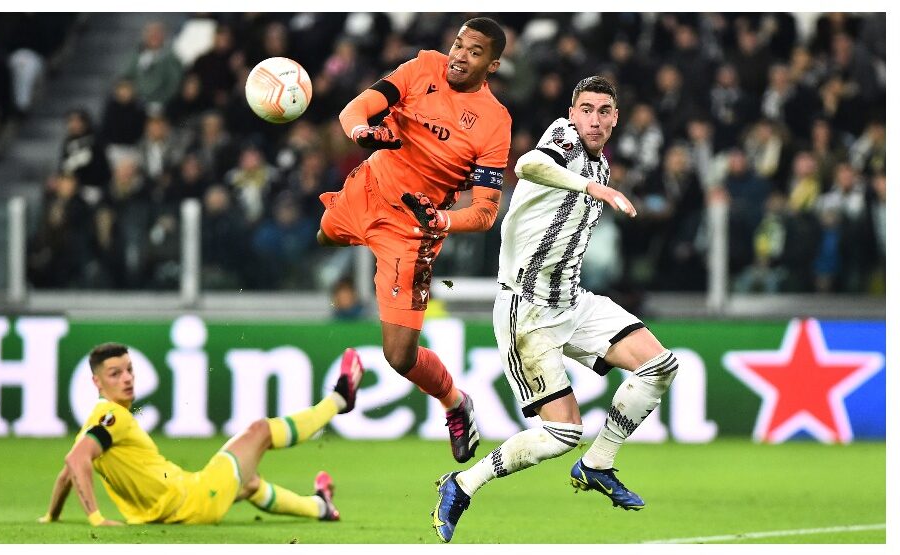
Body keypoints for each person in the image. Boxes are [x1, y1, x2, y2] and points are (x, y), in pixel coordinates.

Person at [431, 76, 680, 542]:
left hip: (572, 300)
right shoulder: (563, 139)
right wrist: (593, 189)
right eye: (586, 109)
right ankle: (461, 485)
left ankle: (598, 463)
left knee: (660, 366)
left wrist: (596, 185)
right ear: (571, 114)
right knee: (562, 433)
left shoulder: (601, 166)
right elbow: (526, 164)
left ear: (616, 118)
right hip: (526, 309)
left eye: (604, 111)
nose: (594, 120)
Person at [316, 17, 512, 463]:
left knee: (399, 356)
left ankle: (455, 402)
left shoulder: (494, 122)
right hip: (368, 188)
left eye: (475, 52)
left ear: (493, 65)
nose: (460, 56)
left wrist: (440, 220)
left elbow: (485, 213)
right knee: (324, 236)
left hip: (411, 231)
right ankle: (361, 244)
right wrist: (362, 132)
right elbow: (355, 109)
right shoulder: (422, 67)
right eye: (459, 44)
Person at [37, 343, 365, 526]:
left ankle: (321, 507)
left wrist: (52, 516)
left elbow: (69, 472)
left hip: (173, 504)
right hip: (194, 500)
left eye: (129, 369)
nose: (127, 378)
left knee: (249, 483)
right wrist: (96, 518)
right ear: (96, 382)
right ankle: (339, 400)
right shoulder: (114, 417)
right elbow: (75, 461)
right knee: (260, 431)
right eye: (115, 373)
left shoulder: (93, 424)